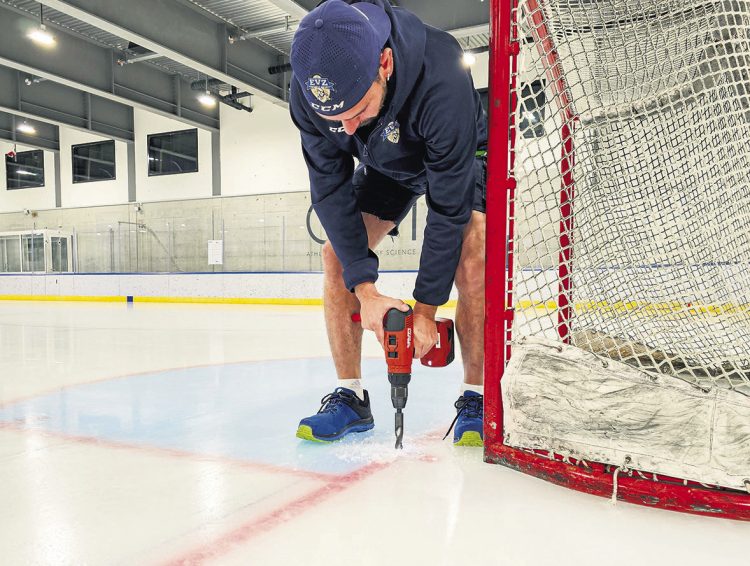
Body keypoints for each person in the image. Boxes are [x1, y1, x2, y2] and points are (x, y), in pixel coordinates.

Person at [289, 0, 487, 446]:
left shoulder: (442, 75)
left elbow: (448, 209)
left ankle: (477, 396)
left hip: (462, 154)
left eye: (357, 109)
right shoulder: (311, 95)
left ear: (385, 61)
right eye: (333, 119)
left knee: (474, 248)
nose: (345, 126)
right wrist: (367, 291)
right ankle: (351, 396)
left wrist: (424, 312)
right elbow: (329, 191)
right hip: (387, 163)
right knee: (336, 255)